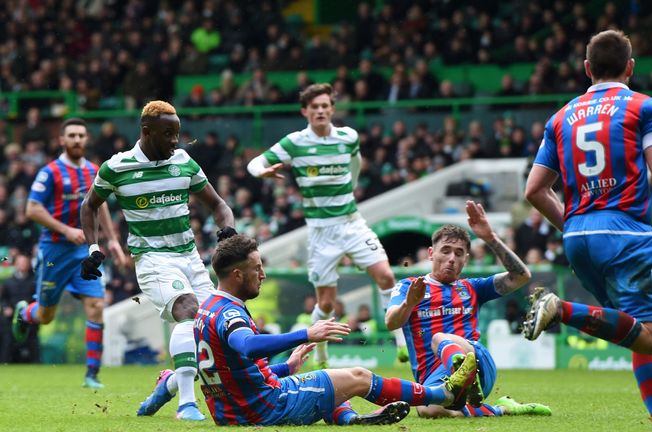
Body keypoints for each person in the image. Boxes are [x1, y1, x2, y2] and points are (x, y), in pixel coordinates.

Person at [524, 30, 652, 432]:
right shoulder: (643, 107)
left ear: (587, 68)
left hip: (577, 238)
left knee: (636, 327)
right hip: (626, 234)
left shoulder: (560, 118)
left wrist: (573, 225)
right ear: (630, 67)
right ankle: (560, 309)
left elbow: (535, 190)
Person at [189, 234, 478, 426]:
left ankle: (351, 420)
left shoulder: (208, 309)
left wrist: (287, 367)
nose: (262, 274)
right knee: (357, 376)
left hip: (233, 411)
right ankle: (442, 394)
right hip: (264, 408)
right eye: (257, 268)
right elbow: (249, 346)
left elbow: (233, 375)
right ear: (237, 274)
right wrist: (307, 333)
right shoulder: (229, 314)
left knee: (336, 386)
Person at [79, 100, 237, 421]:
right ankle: (187, 406)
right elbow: (89, 205)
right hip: (152, 259)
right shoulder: (117, 167)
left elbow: (219, 205)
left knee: (214, 330)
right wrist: (92, 247)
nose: (175, 141)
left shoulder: (183, 162)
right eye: (168, 134)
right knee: (188, 312)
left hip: (190, 257)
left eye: (177, 133)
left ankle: (168, 386)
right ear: (146, 131)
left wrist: (228, 230)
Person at [247, 83, 408, 366]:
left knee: (385, 276)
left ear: (332, 109)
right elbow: (255, 162)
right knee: (326, 304)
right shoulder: (295, 142)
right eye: (315, 107)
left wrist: (352, 184)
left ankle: (401, 342)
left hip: (352, 223)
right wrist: (262, 172)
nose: (320, 111)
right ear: (305, 111)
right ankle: (319, 352)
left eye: (325, 106)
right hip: (322, 232)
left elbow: (356, 162)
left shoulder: (347, 137)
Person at [386, 201, 552, 419]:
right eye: (445, 251)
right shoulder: (409, 287)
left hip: (478, 362)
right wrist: (409, 304)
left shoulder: (472, 287)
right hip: (433, 376)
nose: (452, 258)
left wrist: (490, 238)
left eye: (459, 253)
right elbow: (391, 322)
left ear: (466, 258)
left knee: (439, 338)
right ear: (430, 253)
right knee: (427, 410)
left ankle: (467, 375)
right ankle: (502, 409)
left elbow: (521, 277)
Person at [12, 118, 128, 389]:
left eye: (81, 135)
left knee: (96, 306)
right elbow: (32, 209)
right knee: (45, 316)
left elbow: (100, 208)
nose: (77, 139)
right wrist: (65, 230)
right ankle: (25, 313)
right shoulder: (50, 172)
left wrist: (111, 240)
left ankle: (91, 375)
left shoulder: (94, 171)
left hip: (84, 249)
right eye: (72, 135)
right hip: (54, 250)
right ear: (62, 140)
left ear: (86, 139)